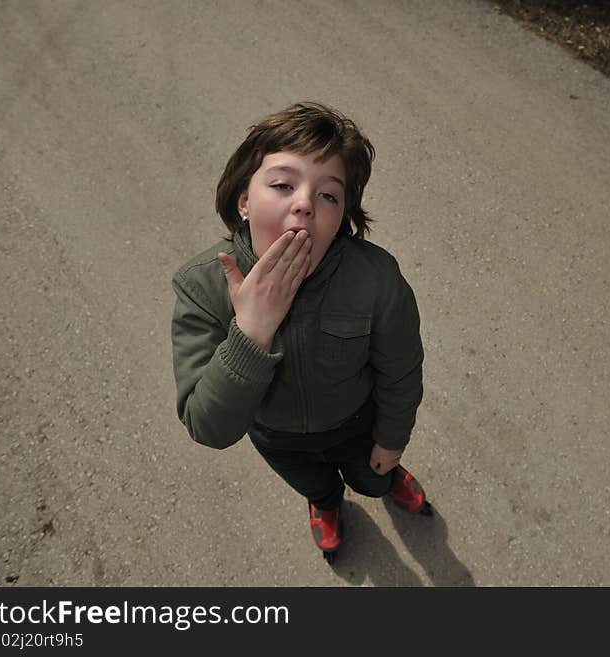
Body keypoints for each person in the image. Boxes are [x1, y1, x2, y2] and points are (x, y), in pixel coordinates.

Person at [170, 102, 428, 559]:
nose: (305, 203)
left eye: (328, 195)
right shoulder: (201, 286)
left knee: (373, 476)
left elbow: (401, 371)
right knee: (314, 482)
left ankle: (389, 478)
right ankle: (325, 504)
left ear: (341, 218)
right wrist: (250, 333)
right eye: (283, 184)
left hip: (358, 424)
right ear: (244, 201)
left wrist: (392, 438)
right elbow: (207, 426)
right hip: (278, 438)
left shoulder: (376, 279)